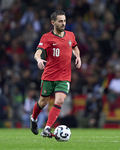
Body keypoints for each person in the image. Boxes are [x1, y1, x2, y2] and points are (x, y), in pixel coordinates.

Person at [30, 10, 81, 138]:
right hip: (49, 76)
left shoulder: (70, 35)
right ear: (53, 22)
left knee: (60, 100)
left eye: (64, 20)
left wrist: (78, 57)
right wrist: (39, 59)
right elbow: (38, 52)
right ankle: (33, 119)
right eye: (60, 21)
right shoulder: (46, 37)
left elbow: (74, 46)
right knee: (43, 103)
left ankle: (47, 128)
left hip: (64, 77)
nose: (63, 23)